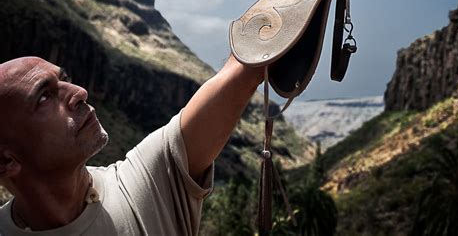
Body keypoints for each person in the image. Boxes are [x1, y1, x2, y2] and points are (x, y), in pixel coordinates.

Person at [0, 54, 264, 235]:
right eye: (44, 97)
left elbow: (249, 62)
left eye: (65, 78)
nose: (79, 92)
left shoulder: (148, 183)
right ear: (5, 161)